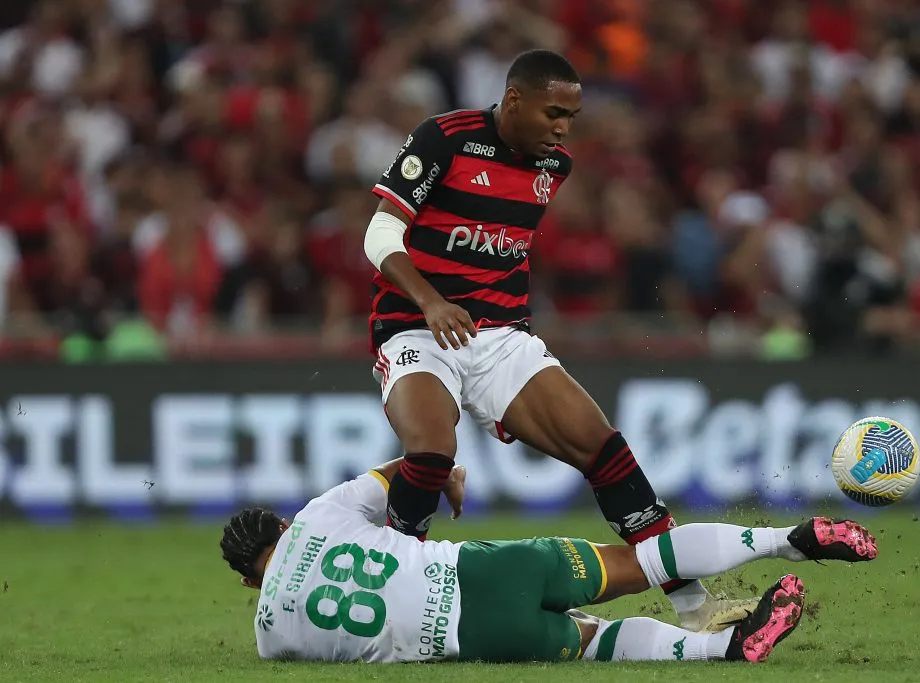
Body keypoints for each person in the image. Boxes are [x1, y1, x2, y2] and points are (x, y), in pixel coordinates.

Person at [362, 47, 753, 631]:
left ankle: (694, 608)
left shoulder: (554, 168)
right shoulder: (443, 138)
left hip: (497, 337)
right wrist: (432, 300)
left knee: (602, 447)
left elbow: (504, 251)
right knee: (431, 453)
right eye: (553, 114)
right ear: (513, 100)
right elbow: (379, 233)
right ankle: (389, 594)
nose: (563, 129)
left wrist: (510, 354)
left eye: (571, 117)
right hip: (415, 325)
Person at [220, 460, 879, 664]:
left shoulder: (270, 639)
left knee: (594, 642)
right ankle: (788, 537)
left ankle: (726, 650)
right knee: (641, 561)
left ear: (251, 578)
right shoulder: (317, 512)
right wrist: (442, 472)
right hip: (484, 569)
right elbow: (404, 468)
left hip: (468, 637)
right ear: (281, 523)